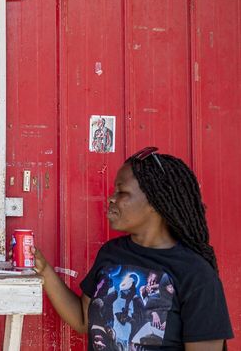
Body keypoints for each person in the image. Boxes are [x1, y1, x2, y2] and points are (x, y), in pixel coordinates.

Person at [34, 147, 233, 350]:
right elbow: (83, 320)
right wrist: (44, 271)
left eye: (122, 192)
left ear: (156, 202)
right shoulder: (111, 253)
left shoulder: (196, 274)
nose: (111, 198)